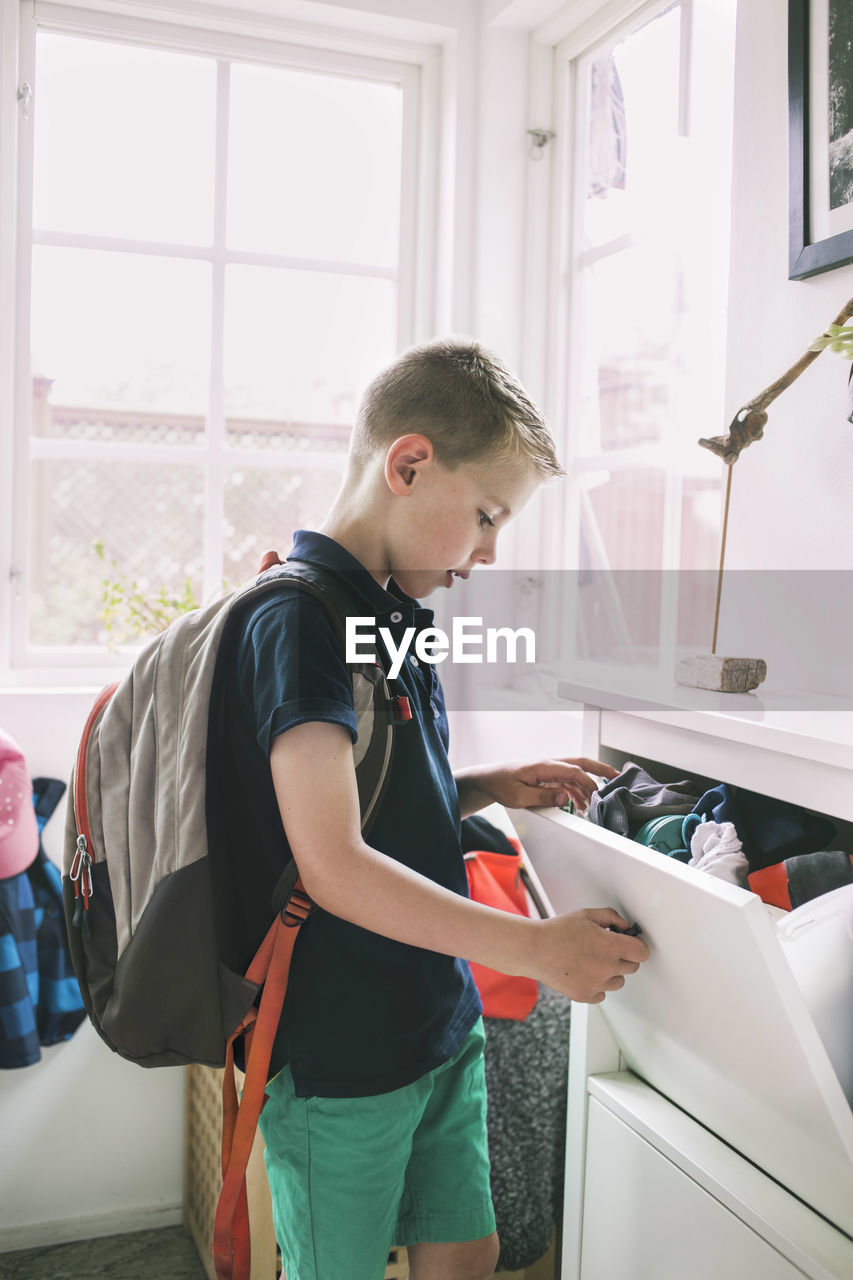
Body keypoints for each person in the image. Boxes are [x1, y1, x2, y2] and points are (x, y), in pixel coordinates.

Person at [219, 337, 649, 1280]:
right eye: (487, 516)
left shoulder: (390, 614)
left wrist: (486, 786)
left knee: (469, 1252)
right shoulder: (295, 620)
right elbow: (330, 864)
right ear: (408, 465)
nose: (489, 553)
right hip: (337, 1053)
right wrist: (534, 949)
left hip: (435, 1022)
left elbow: (370, 809)